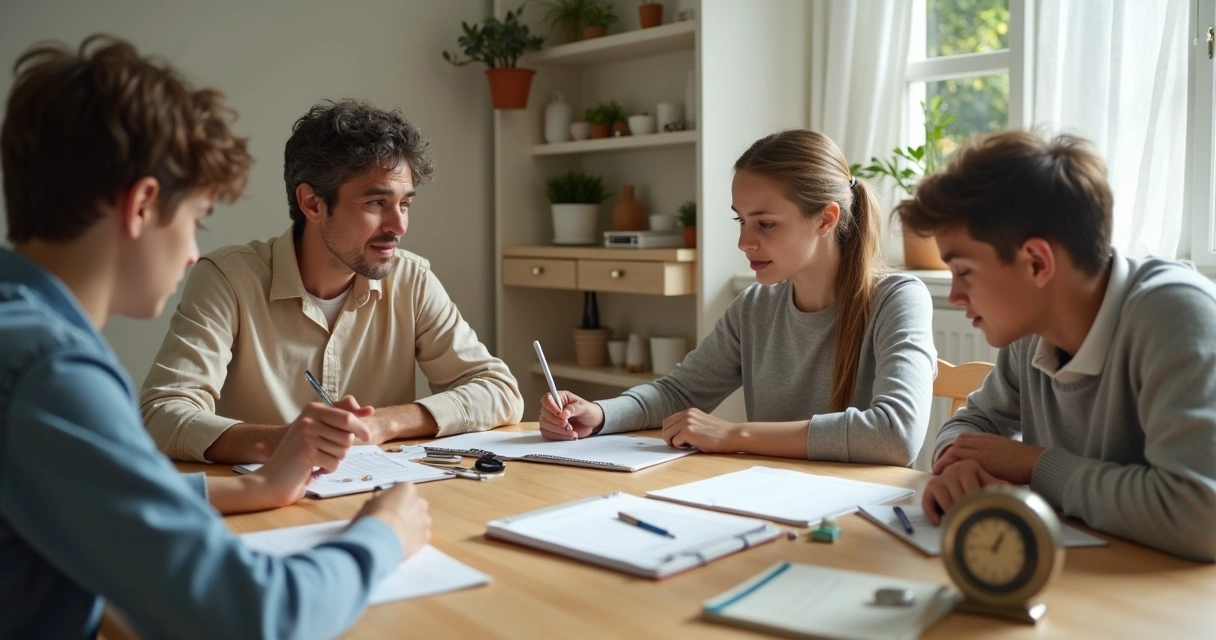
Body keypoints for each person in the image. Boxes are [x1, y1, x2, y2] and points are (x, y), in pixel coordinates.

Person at [0, 35, 431, 638]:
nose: (193, 252)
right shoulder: (50, 371)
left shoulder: (18, 328)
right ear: (143, 205)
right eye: (197, 219)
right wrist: (383, 533)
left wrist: (257, 486)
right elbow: (253, 616)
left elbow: (108, 497)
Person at [140, 99, 523, 464]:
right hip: (263, 507)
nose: (399, 226)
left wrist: (385, 423)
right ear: (312, 204)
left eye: (405, 203)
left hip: (379, 497)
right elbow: (162, 414)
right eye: (376, 203)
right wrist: (287, 442)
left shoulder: (412, 279)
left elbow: (500, 391)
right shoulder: (229, 278)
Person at [898, 130, 1216, 562]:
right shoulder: (1032, 329)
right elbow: (977, 421)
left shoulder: (1176, 313)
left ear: (1037, 262)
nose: (954, 296)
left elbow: (1200, 515)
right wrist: (960, 465)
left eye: (964, 271)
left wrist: (1037, 465)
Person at [539, 130, 936, 466]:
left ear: (826, 220)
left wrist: (735, 434)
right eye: (741, 220)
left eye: (765, 224)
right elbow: (678, 393)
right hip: (768, 503)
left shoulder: (899, 300)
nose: (745, 242)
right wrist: (601, 413)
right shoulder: (755, 307)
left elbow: (895, 434)